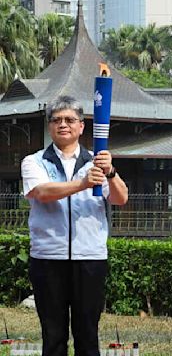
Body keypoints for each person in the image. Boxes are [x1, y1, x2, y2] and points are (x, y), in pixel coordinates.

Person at [21, 96, 128, 356]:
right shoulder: (34, 161)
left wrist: (110, 173)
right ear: (49, 127)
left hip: (90, 258)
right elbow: (41, 192)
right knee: (53, 334)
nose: (63, 125)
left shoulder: (97, 162)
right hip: (48, 258)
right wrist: (82, 184)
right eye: (56, 120)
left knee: (87, 334)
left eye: (70, 120)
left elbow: (120, 198)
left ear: (81, 126)